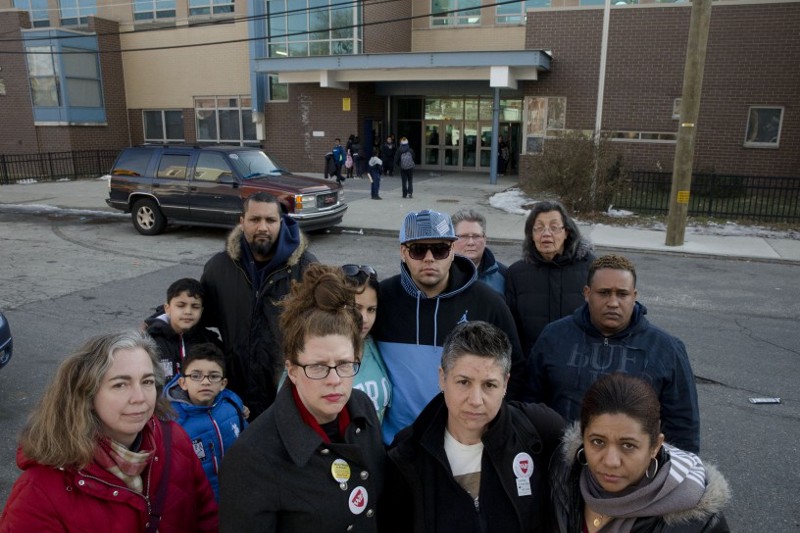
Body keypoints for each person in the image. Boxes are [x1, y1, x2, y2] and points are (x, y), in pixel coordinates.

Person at [219, 264, 385, 532]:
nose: (334, 380)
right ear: (293, 370)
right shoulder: (252, 458)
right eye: (318, 366)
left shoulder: (362, 409)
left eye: (344, 364)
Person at [0, 330, 218, 531]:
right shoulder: (38, 493)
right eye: (120, 385)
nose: (140, 398)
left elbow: (206, 517)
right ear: (87, 395)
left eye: (147, 381)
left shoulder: (174, 439)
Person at [381, 321, 565, 533]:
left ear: (505, 384)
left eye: (489, 385)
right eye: (464, 382)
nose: (476, 400)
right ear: (442, 378)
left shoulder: (538, 432)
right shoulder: (406, 453)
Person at [371, 209, 527, 444]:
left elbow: (516, 370)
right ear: (403, 252)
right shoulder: (381, 300)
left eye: (440, 249)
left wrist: (492, 427)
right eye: (418, 249)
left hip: (467, 442)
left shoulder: (488, 303)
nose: (429, 258)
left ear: (453, 250)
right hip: (397, 444)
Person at [529, 254, 701, 452]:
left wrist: (681, 472)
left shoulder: (666, 348)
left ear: (634, 296)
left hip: (632, 471)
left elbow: (683, 424)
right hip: (559, 462)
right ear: (587, 293)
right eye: (603, 293)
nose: (613, 302)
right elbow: (531, 402)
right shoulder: (554, 336)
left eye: (622, 294)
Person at [551, 373, 730, 532]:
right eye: (598, 441)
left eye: (628, 445)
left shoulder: (699, 523)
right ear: (583, 437)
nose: (611, 461)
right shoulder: (565, 472)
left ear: (655, 446)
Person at [201, 191, 316, 420]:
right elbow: (197, 317)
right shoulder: (218, 268)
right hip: (235, 395)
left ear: (281, 223)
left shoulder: (306, 268)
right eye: (255, 220)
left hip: (287, 395)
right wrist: (160, 320)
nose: (262, 227)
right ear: (242, 222)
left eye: (270, 220)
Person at [505, 200, 595, 357]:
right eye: (539, 228)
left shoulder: (591, 268)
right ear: (531, 235)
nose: (546, 234)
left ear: (566, 232)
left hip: (579, 363)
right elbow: (512, 332)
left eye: (554, 227)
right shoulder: (516, 274)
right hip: (533, 368)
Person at [165, 342, 248, 502]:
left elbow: (248, 440)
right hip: (197, 503)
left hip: (236, 495)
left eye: (214, 376)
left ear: (223, 384)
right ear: (183, 382)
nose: (205, 382)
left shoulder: (233, 405)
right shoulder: (173, 422)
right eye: (196, 376)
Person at [342, 264, 392, 423]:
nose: (364, 319)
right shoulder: (315, 353)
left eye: (371, 310)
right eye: (356, 308)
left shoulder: (373, 344)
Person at [145, 277, 221, 382]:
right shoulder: (150, 341)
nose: (188, 311)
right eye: (181, 305)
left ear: (201, 310)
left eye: (195, 306)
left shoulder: (209, 342)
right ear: (167, 308)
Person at [451, 208, 507, 295]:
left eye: (476, 236)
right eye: (464, 236)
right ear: (452, 241)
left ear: (485, 239)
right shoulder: (440, 273)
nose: (471, 242)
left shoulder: (504, 275)